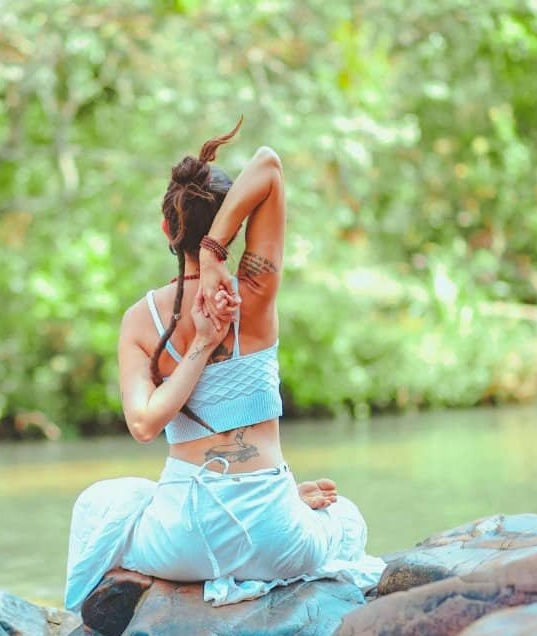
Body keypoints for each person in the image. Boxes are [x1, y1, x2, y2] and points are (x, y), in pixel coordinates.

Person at [64, 120, 384, 611]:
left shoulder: (139, 321)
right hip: (276, 540)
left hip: (182, 542)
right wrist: (218, 252)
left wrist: (193, 340)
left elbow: (144, 424)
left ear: (167, 229)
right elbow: (269, 165)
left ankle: (133, 596)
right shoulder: (252, 294)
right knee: (346, 519)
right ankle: (283, 508)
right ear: (231, 222)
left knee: (101, 506)